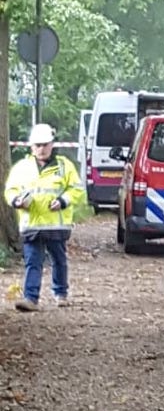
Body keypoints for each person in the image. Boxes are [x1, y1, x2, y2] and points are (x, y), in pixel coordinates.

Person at [4, 123, 86, 311]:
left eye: (45, 145)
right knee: (33, 261)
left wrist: (63, 201)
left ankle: (61, 293)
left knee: (59, 260)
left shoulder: (65, 166)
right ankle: (30, 298)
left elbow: (77, 189)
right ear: (31, 146)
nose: (41, 149)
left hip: (56, 225)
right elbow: (11, 190)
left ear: (52, 145)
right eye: (38, 145)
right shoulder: (22, 167)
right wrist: (16, 201)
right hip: (32, 224)